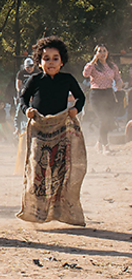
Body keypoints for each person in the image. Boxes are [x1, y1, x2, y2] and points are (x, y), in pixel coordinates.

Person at [17, 36, 87, 226]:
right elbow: (23, 99)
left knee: (60, 171)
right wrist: (27, 111)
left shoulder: (67, 79)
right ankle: (35, 211)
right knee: (38, 168)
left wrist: (75, 110)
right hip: (39, 131)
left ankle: (60, 211)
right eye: (46, 58)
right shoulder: (35, 80)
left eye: (55, 58)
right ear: (39, 61)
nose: (51, 62)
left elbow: (81, 98)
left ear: (62, 61)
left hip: (62, 130)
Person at [83, 44, 124, 155]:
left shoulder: (112, 66)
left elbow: (118, 78)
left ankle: (99, 142)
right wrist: (93, 60)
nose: (102, 53)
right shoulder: (93, 66)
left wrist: (120, 83)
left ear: (107, 52)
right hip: (97, 94)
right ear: (96, 53)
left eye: (104, 51)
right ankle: (105, 146)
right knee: (103, 119)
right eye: (99, 51)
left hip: (109, 93)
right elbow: (85, 74)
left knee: (109, 119)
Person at [14, 57, 36, 136]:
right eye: (27, 67)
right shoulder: (21, 73)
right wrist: (21, 92)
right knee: (20, 112)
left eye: (31, 66)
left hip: (34, 98)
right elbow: (18, 85)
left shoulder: (37, 72)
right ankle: (18, 129)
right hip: (24, 97)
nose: (29, 69)